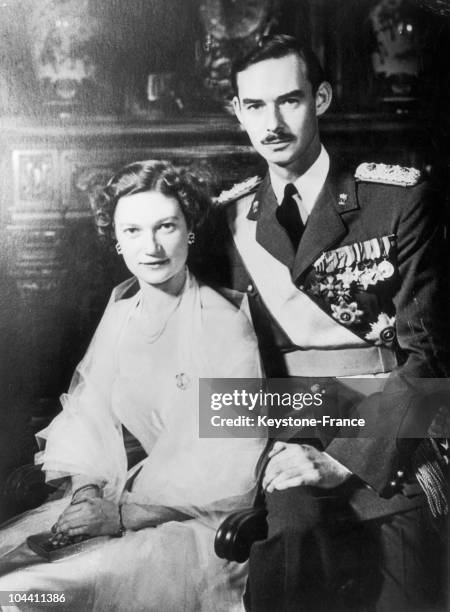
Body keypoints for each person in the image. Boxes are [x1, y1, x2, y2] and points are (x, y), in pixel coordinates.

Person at [210, 35, 449, 611]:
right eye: (255, 106)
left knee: (406, 590)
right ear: (238, 113)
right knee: (289, 566)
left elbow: (430, 358)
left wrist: (342, 457)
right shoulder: (232, 219)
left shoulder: (396, 200)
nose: (272, 122)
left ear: (321, 98)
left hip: (395, 430)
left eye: (289, 101)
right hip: (290, 427)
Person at [0, 160, 265, 611]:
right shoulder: (123, 312)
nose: (152, 247)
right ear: (116, 239)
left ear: (190, 231)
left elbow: (229, 472)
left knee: (19, 597)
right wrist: (85, 494)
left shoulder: (223, 324)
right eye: (133, 231)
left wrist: (121, 516)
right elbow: (89, 417)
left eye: (166, 227)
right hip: (113, 507)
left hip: (188, 531)